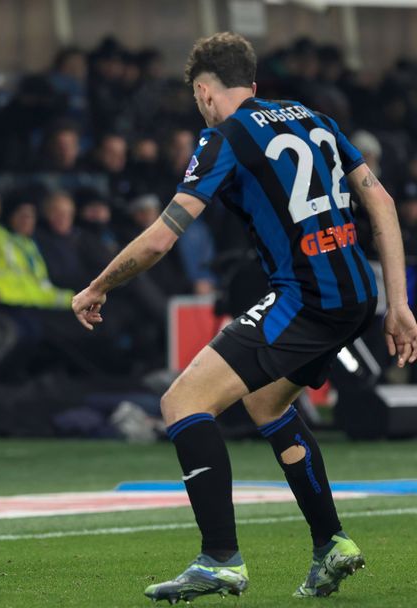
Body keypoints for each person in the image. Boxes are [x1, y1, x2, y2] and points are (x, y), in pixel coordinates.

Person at [71, 32, 417, 603]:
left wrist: (96, 286)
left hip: (306, 297)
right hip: (358, 292)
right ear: (252, 85)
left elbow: (161, 240)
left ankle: (220, 559)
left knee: (181, 403)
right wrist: (398, 303)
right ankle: (331, 543)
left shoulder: (222, 136)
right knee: (265, 402)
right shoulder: (316, 117)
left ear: (204, 92)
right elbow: (380, 201)